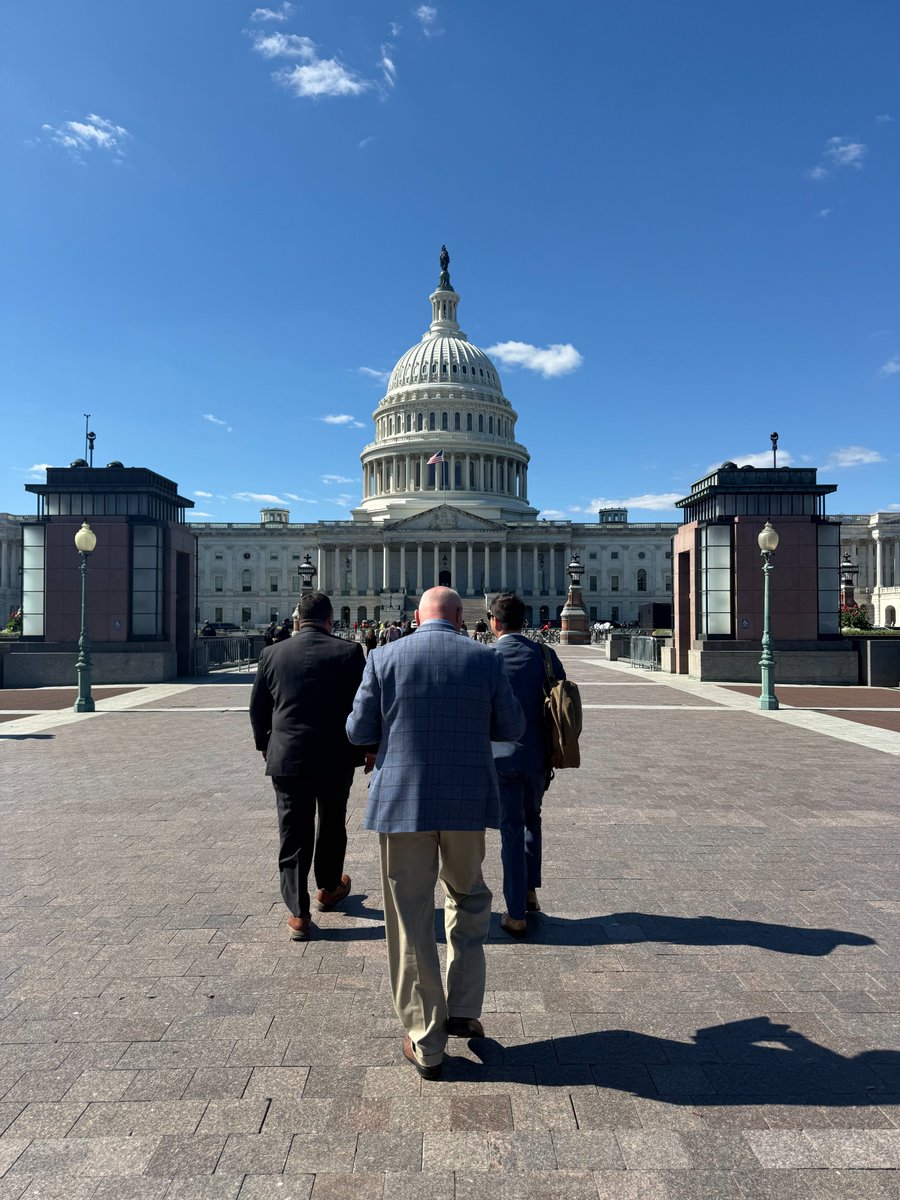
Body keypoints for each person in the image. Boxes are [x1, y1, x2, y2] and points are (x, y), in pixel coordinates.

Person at [346, 586, 524, 1081]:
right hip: (467, 801)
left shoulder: (383, 658)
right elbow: (513, 727)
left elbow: (358, 732)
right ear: (460, 616)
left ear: (417, 616)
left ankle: (426, 1038)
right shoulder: (485, 659)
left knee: (409, 915)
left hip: (403, 802)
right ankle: (463, 1007)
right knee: (468, 898)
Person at [249, 590, 367, 942]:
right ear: (331, 620)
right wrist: (369, 747)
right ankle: (328, 888)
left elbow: (258, 708)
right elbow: (363, 705)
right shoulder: (349, 652)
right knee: (331, 823)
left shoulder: (271, 654)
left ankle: (298, 913)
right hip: (336, 755)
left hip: (287, 756)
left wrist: (264, 744)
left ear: (298, 619)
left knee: (293, 831)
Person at [488, 592, 566, 937]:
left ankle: (516, 912)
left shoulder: (487, 658)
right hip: (538, 757)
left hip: (500, 758)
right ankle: (530, 891)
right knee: (532, 818)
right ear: (525, 620)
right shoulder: (546, 655)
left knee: (511, 829)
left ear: (494, 622)